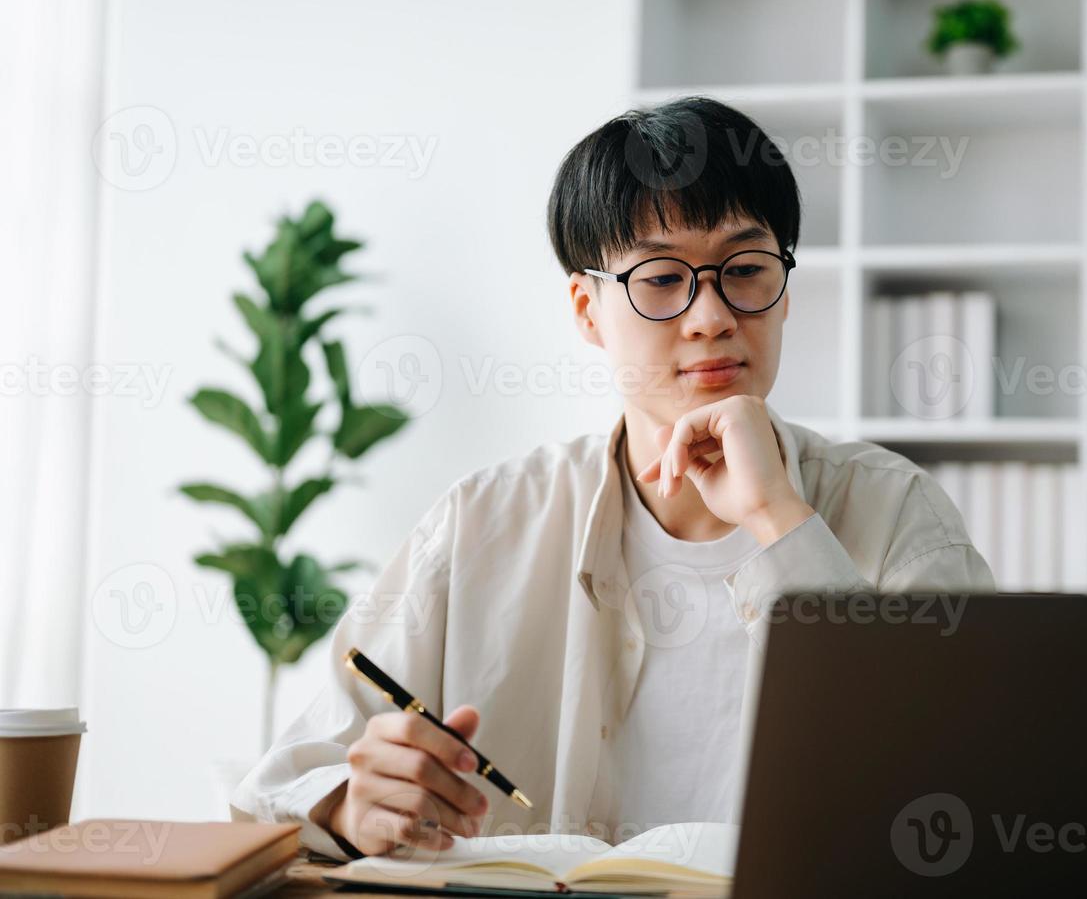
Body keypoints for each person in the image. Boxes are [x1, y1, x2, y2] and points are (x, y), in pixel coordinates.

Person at [229, 96, 994, 860]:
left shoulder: (897, 513)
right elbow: (279, 786)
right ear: (587, 311)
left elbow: (972, 798)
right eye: (662, 279)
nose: (711, 317)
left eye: (747, 270)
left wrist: (779, 520)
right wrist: (348, 808)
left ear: (784, 291)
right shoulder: (485, 520)